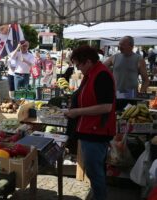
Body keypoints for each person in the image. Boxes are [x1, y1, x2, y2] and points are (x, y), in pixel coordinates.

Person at [65, 45, 116, 200]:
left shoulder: (101, 75)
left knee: (95, 171)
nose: (78, 68)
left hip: (96, 131)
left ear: (87, 61)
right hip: (89, 129)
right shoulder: (93, 73)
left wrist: (76, 112)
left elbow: (106, 107)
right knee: (95, 170)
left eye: (79, 65)